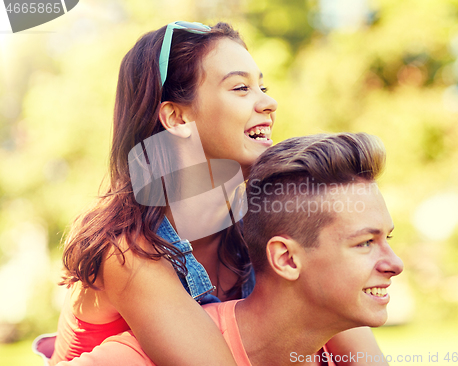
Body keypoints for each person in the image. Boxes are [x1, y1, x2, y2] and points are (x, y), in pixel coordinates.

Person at [48, 19, 391, 366]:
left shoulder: (265, 218)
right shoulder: (126, 249)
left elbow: (358, 348)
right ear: (177, 118)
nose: (269, 103)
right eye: (241, 88)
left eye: (262, 87)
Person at [54, 132, 403, 366]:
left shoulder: (339, 348)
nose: (395, 264)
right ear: (285, 258)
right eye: (365, 243)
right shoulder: (138, 354)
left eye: (387, 239)